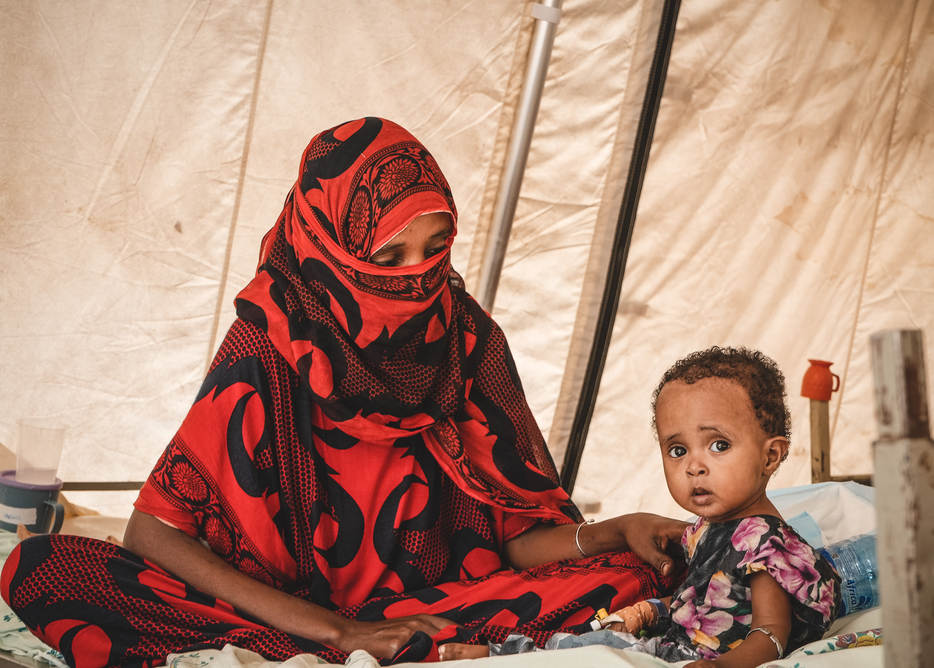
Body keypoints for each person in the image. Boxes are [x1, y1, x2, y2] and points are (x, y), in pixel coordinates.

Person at [1, 117, 687, 667]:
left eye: (435, 246)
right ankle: (338, 653)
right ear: (329, 243)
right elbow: (155, 533)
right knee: (41, 568)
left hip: (432, 607)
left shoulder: (466, 338)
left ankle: (370, 653)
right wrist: (336, 632)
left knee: (631, 570)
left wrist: (618, 529)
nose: (416, 278)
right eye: (387, 258)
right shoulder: (269, 343)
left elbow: (517, 540)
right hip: (279, 607)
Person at [442, 347, 841, 666]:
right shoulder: (705, 530)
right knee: (587, 642)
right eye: (677, 449)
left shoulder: (768, 543)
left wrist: (725, 667)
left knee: (592, 656)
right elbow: (702, 599)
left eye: (719, 445)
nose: (694, 466)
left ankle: (500, 656)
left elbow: (771, 633)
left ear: (770, 456)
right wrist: (647, 612)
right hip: (670, 645)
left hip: (695, 659)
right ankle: (503, 654)